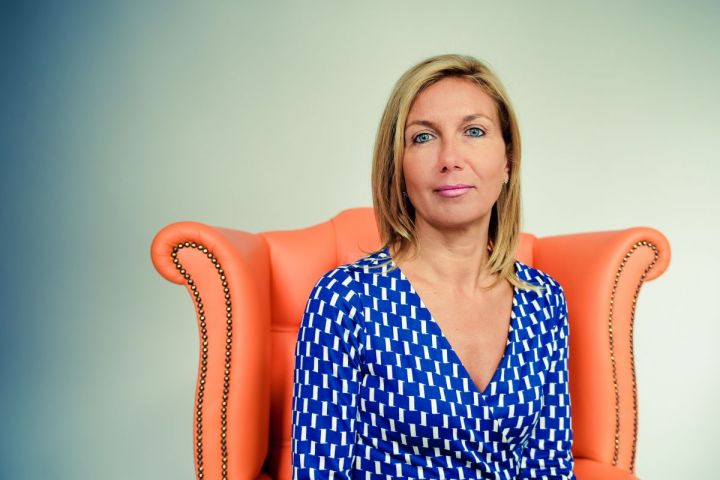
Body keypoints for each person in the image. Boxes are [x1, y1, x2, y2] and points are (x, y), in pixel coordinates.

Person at [291, 54, 575, 479]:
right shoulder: (346, 299)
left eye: (474, 131)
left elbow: (549, 467)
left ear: (508, 161)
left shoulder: (544, 301)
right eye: (423, 137)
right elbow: (319, 472)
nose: (450, 158)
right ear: (398, 166)